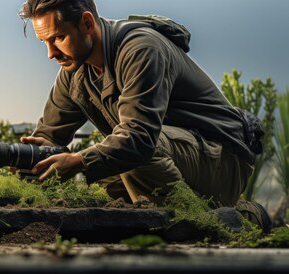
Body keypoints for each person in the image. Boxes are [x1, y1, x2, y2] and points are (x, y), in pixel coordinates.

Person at [17, 0, 272, 232]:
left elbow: (138, 140)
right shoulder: (73, 72)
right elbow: (49, 135)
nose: (51, 53)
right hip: (175, 155)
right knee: (102, 177)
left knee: (128, 154)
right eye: (45, 43)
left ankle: (215, 224)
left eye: (59, 38)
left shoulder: (141, 48)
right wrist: (34, 154)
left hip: (223, 159)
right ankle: (199, 217)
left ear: (86, 23)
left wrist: (79, 160)